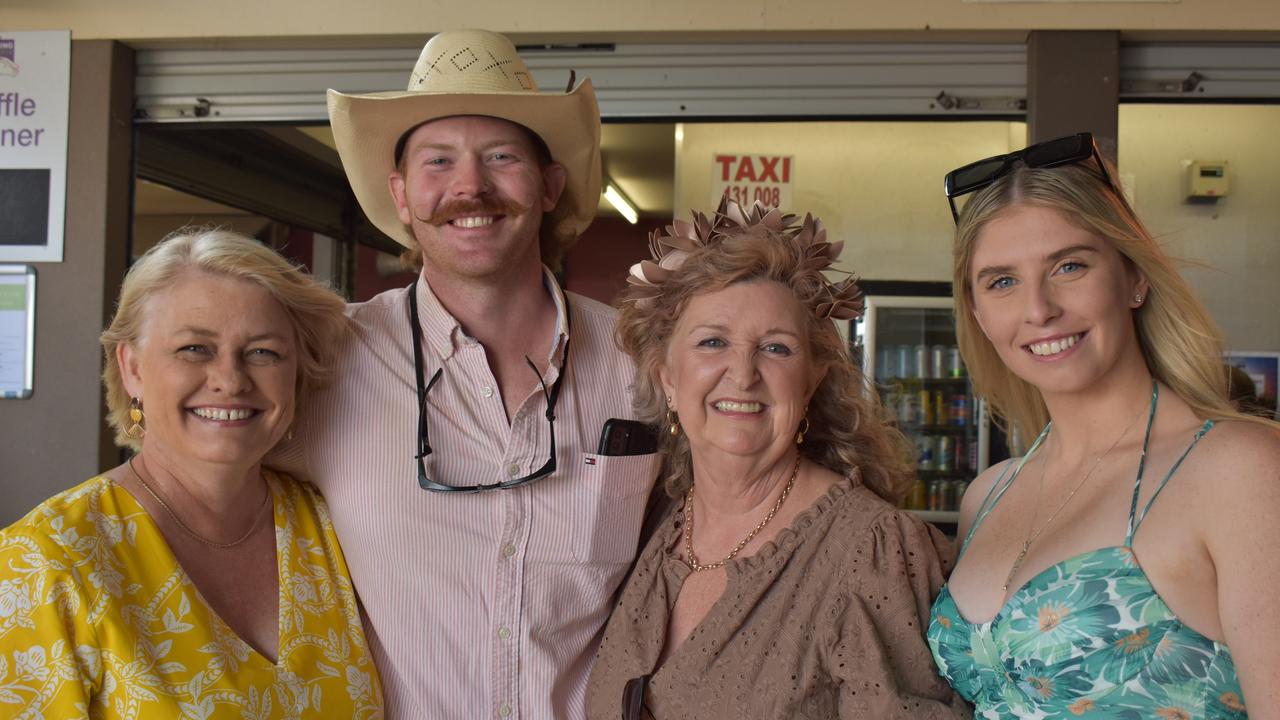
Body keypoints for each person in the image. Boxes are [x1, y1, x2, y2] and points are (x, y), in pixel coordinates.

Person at [279, 29, 659, 718]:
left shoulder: (641, 361)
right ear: (400, 193)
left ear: (548, 186)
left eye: (501, 157)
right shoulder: (327, 361)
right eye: (437, 161)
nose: (469, 186)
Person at [928, 132, 1280, 718]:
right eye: (1003, 281)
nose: (1039, 309)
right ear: (978, 312)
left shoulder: (1238, 469)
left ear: (1134, 279)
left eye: (1069, 266)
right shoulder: (988, 494)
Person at [585, 199, 970, 719]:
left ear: (811, 381)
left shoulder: (871, 552)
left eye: (776, 348)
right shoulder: (650, 519)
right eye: (712, 342)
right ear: (667, 380)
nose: (742, 374)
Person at [0, 228, 382, 718]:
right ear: (133, 367)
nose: (230, 380)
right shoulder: (44, 562)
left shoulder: (335, 527)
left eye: (263, 351)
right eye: (194, 349)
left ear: (297, 373)